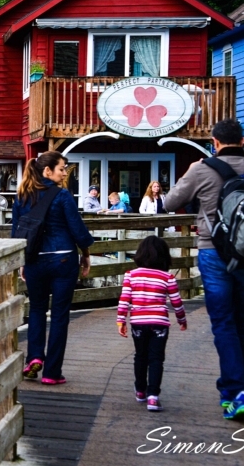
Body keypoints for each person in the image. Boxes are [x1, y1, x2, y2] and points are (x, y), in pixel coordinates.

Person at [162, 118, 244, 420]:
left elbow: (170, 203)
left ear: (215, 142)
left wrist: (190, 172)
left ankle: (235, 391)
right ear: (243, 141)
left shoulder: (202, 169)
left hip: (214, 253)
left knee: (224, 322)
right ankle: (234, 387)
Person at [13, 151, 94, 385]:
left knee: (37, 310)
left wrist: (21, 261)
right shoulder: (62, 196)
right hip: (63, 260)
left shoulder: (22, 196)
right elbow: (77, 229)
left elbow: (16, 232)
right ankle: (52, 372)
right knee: (59, 315)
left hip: (35, 260)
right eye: (62, 168)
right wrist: (86, 254)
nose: (65, 172)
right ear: (47, 171)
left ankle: (34, 357)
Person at [117, 236, 187, 412]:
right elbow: (177, 302)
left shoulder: (131, 275)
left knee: (140, 356)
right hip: (159, 324)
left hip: (138, 323)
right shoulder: (167, 277)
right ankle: (153, 397)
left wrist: (121, 320)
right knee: (156, 358)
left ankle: (140, 390)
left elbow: (125, 299)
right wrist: (182, 320)